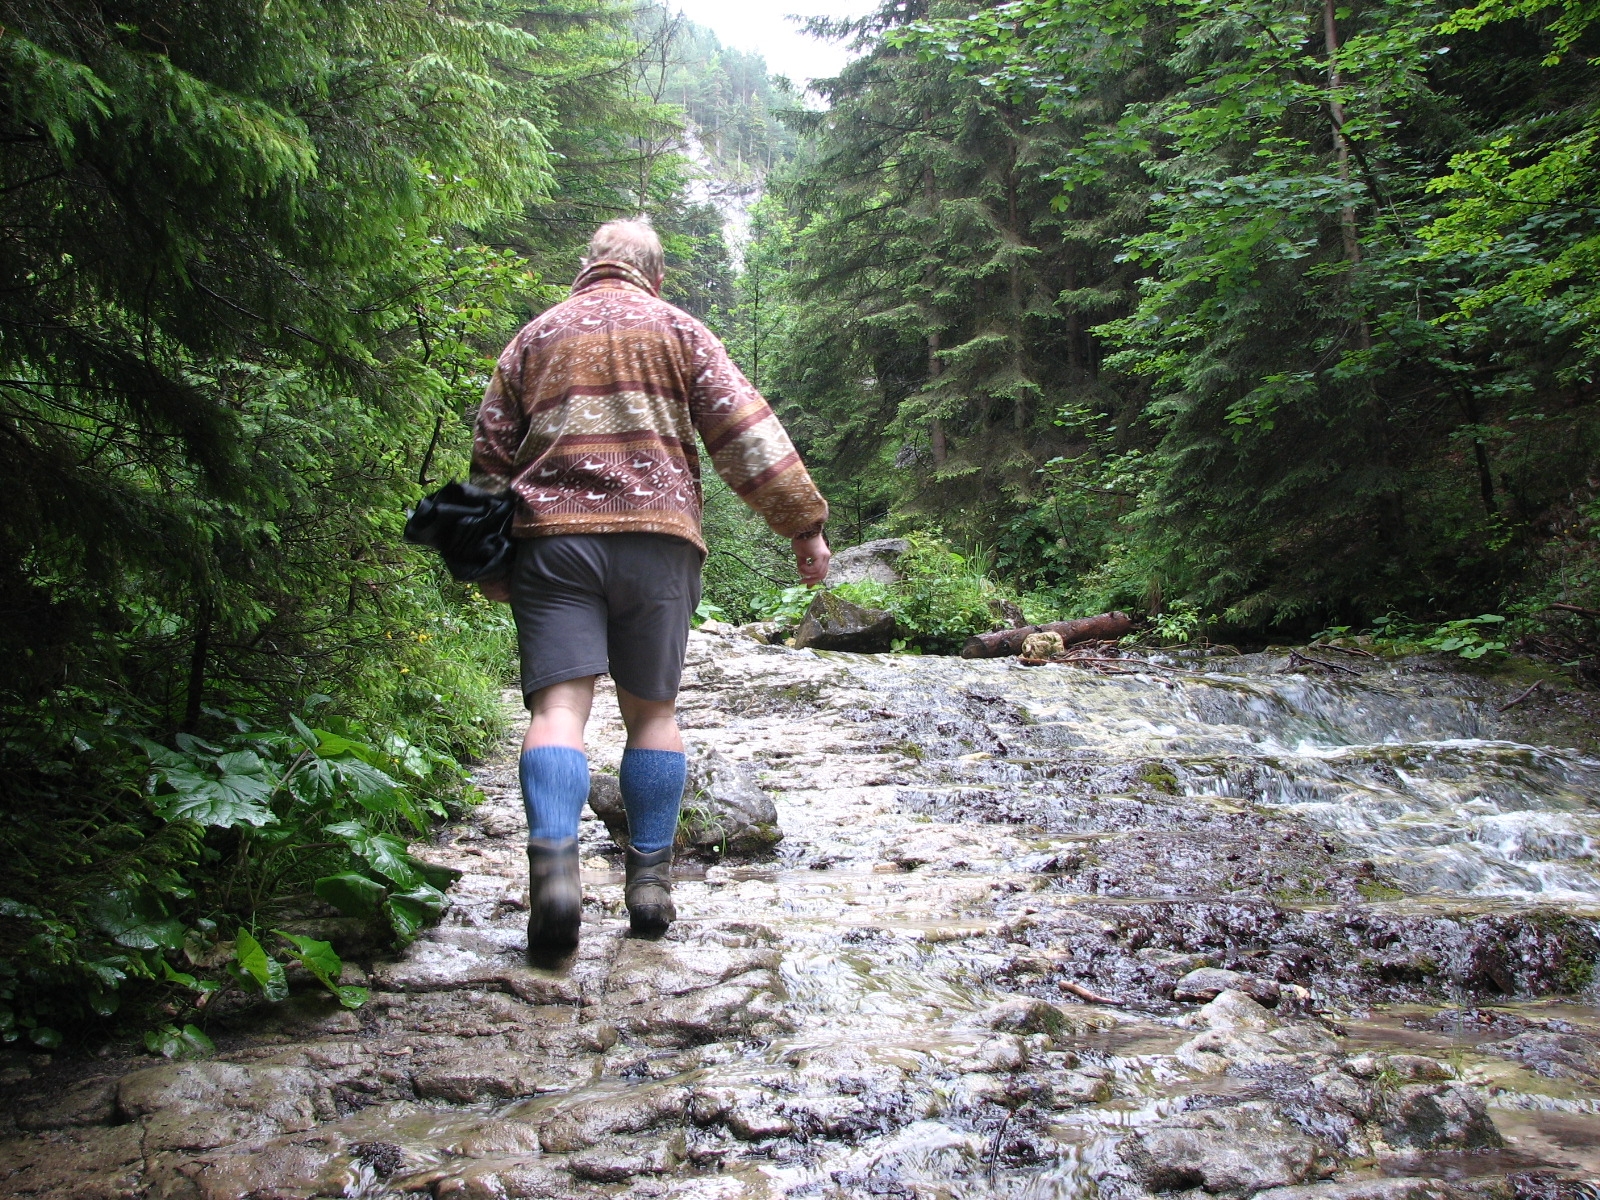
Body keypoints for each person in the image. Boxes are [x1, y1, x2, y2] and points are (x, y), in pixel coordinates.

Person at [471, 218, 830, 952]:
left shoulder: (534, 337)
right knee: (653, 715)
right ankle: (649, 884)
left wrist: (489, 562)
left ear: (587, 266)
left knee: (559, 709)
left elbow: (491, 457)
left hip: (553, 542)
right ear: (655, 276)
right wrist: (802, 523)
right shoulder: (681, 330)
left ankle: (556, 880)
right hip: (659, 543)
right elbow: (744, 433)